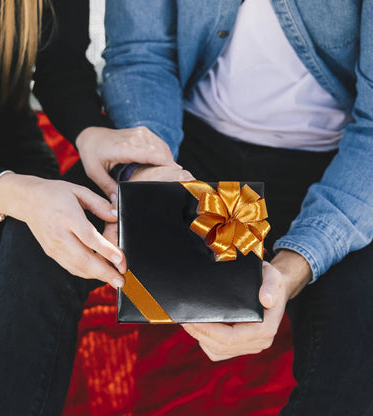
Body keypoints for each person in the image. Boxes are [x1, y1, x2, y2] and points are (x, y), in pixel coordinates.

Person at [102, 0, 373, 414]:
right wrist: (150, 175)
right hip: (186, 147)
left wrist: (291, 269)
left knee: (356, 349)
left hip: (339, 166)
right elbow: (141, 54)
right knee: (38, 248)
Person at [0, 0, 181, 414]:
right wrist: (9, 191)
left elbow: (59, 63)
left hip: (6, 150)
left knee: (38, 257)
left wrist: (88, 130)